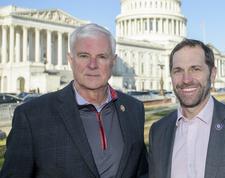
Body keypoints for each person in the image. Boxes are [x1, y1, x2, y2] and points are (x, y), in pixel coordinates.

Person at [0, 23, 148, 178]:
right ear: (70, 60)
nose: (92, 65)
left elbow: (142, 170)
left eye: (102, 57)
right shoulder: (32, 116)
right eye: (84, 56)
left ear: (113, 61)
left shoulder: (134, 108)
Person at [148, 39, 225, 178]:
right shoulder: (158, 131)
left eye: (195, 69)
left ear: (213, 74)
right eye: (178, 71)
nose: (186, 79)